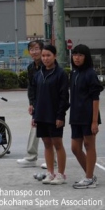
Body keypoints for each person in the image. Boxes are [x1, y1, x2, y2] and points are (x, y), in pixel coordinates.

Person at [30, 45, 69, 185]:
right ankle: (50, 173)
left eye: (48, 55)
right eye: (43, 56)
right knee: (47, 144)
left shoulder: (61, 74)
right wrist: (34, 115)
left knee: (57, 144)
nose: (45, 58)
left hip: (55, 116)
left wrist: (60, 116)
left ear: (55, 56)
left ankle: (61, 174)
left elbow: (64, 97)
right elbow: (35, 96)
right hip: (41, 115)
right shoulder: (38, 74)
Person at [17, 40, 56, 169]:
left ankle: (53, 160)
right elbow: (31, 87)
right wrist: (31, 103)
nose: (34, 52)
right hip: (38, 103)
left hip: (50, 103)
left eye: (37, 49)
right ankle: (31, 157)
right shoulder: (31, 68)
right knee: (34, 127)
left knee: (51, 131)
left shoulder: (51, 66)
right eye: (31, 49)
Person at [69, 44, 103, 189]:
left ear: (86, 57)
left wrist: (94, 121)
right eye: (75, 54)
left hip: (88, 116)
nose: (76, 57)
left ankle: (89, 178)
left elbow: (95, 98)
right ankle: (90, 175)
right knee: (75, 148)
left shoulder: (90, 73)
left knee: (89, 146)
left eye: (80, 55)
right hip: (75, 116)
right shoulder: (74, 73)